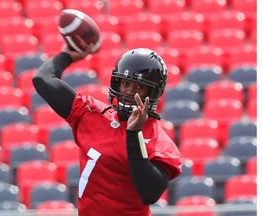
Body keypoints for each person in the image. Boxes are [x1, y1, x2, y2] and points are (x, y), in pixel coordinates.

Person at [32, 44, 182, 216]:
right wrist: (67, 55)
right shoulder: (93, 114)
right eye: (125, 83)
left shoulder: (159, 142)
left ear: (153, 92)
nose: (129, 92)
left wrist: (134, 134)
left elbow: (149, 193)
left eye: (139, 87)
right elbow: (43, 80)